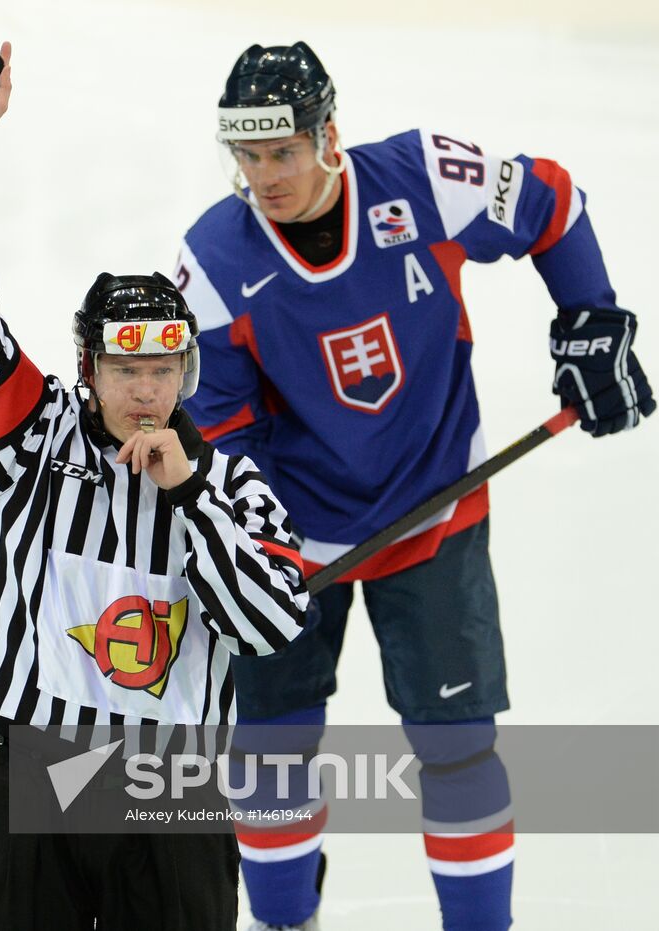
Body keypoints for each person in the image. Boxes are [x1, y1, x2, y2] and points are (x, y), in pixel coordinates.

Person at [172, 42, 654, 931]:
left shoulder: (424, 178)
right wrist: (256, 543)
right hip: (291, 529)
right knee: (273, 747)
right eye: (247, 154)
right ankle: (284, 921)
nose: (264, 176)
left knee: (456, 745)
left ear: (328, 137)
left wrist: (591, 316)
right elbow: (223, 429)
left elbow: (551, 202)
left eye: (282, 152)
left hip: (436, 503)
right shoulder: (211, 260)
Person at [0, 32, 311, 931]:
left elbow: (270, 625)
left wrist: (189, 498)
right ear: (88, 371)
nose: (144, 390)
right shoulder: (30, 440)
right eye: (124, 369)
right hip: (28, 773)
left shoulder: (233, 485)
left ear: (187, 371)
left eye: (162, 369)